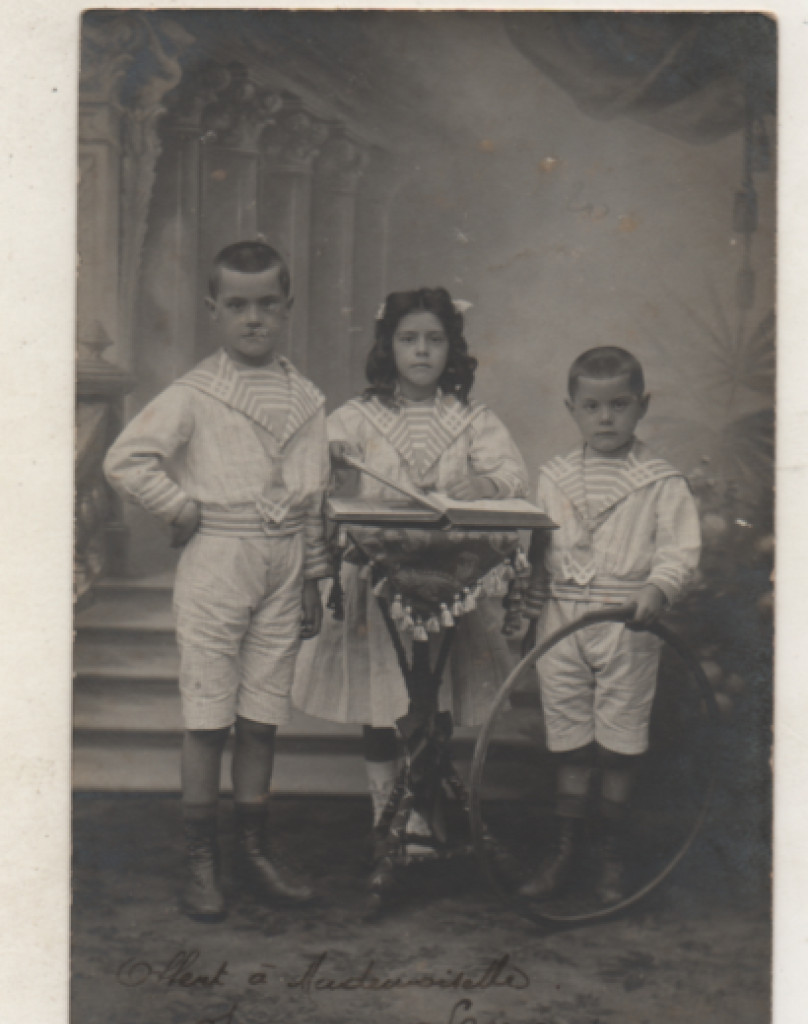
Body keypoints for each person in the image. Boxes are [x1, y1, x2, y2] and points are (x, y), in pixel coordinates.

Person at [104, 241, 330, 922]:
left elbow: (315, 496)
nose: (253, 318)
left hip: (284, 560)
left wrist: (315, 576)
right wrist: (181, 506)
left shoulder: (308, 398)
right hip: (219, 560)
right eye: (237, 304)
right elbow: (126, 459)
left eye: (267, 303)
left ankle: (253, 850)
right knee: (208, 718)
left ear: (287, 307)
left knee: (261, 718)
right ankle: (201, 859)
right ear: (213, 310)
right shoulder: (196, 392)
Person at [293, 286, 529, 851]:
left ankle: (427, 805)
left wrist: (486, 483)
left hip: (450, 584)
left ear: (453, 347)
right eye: (408, 339)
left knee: (434, 695)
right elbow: (312, 469)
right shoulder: (358, 417)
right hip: (381, 583)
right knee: (383, 702)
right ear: (388, 347)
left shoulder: (471, 419)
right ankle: (389, 816)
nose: (421, 351)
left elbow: (514, 475)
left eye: (434, 339)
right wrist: (325, 461)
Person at [521, 345, 701, 905]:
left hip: (627, 621)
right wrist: (526, 600)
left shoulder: (659, 481)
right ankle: (565, 850)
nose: (606, 418)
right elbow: (534, 551)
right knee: (571, 737)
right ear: (571, 407)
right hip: (563, 618)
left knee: (619, 741)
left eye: (619, 405)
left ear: (641, 407)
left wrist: (657, 587)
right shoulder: (553, 478)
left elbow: (679, 551)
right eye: (592, 406)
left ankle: (610, 854)